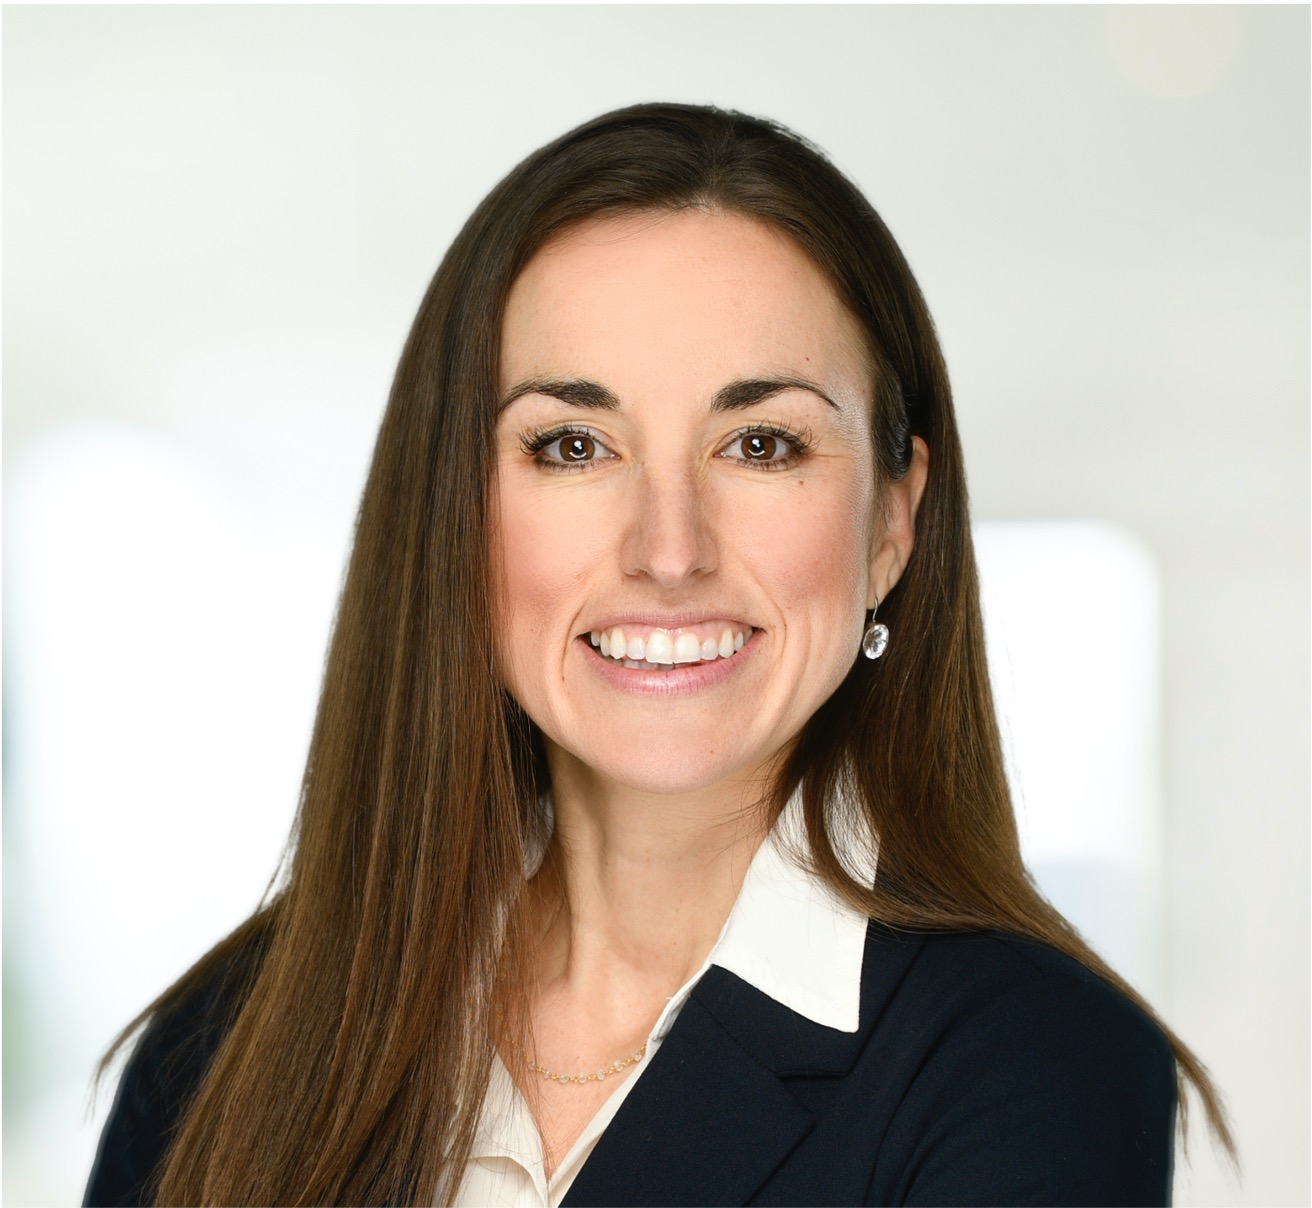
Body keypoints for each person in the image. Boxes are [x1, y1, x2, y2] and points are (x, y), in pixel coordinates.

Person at [85, 102, 1231, 1208]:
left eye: (761, 443)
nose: (667, 549)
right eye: (573, 444)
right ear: (449, 515)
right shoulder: (221, 1051)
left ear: (892, 523)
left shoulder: (1031, 1064)